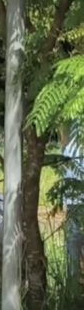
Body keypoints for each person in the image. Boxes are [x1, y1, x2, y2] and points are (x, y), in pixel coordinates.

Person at [64, 121, 84, 287]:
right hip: (80, 203)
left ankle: (73, 286)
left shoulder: (69, 148)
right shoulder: (78, 148)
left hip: (72, 204)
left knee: (73, 246)